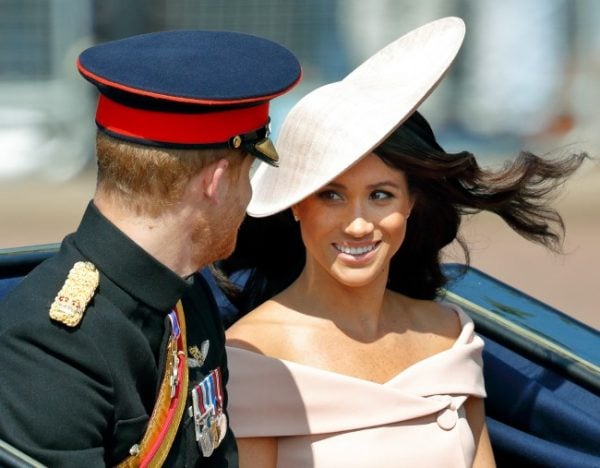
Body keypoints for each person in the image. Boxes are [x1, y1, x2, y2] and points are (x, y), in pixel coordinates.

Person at [215, 17, 587, 467]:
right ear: (295, 205)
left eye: (380, 196)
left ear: (411, 203)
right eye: (331, 195)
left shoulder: (449, 334)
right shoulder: (251, 355)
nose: (357, 225)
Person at [0, 30, 300, 466]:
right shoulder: (48, 347)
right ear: (215, 184)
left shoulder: (185, 294)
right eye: (247, 175)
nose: (249, 200)